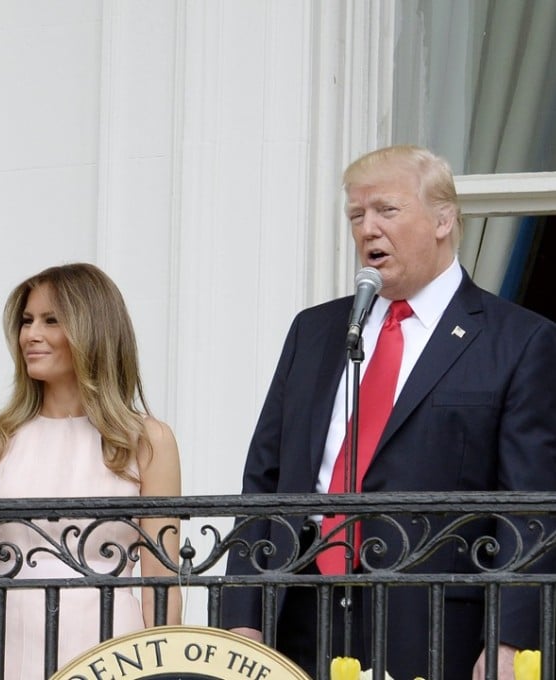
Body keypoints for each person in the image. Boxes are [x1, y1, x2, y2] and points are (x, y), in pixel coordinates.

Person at [222, 145, 556, 680]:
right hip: (301, 608)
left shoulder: (518, 340)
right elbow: (264, 479)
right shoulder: (317, 331)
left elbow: (530, 506)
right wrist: (242, 617)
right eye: (357, 215)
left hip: (432, 621)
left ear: (444, 219)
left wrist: (508, 640)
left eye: (386, 210)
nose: (367, 229)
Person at [0, 263, 183, 677]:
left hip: (112, 652)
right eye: (26, 321)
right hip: (2, 646)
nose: (30, 335)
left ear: (91, 329)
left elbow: (158, 585)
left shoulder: (147, 441)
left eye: (50, 320)